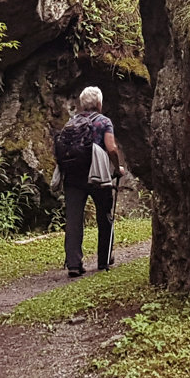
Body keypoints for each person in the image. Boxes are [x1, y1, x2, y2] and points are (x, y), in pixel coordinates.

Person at [55, 86, 123, 278]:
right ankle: (104, 259)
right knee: (105, 215)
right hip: (97, 176)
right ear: (99, 104)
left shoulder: (71, 122)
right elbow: (111, 148)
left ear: (81, 104)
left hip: (73, 175)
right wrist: (117, 168)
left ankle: (74, 264)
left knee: (74, 220)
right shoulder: (104, 122)